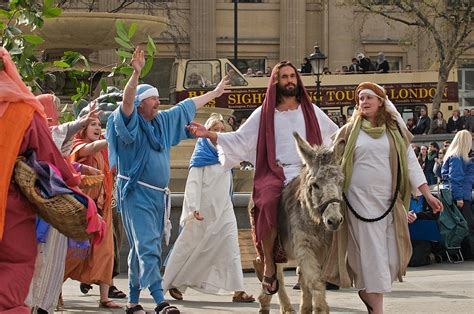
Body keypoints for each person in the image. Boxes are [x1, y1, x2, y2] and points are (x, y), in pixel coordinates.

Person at [186, 60, 338, 295]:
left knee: (332, 199)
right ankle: (268, 261)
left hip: (306, 172)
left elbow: (336, 137)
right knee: (265, 202)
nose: (289, 81)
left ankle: (331, 261)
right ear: (276, 82)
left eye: (292, 76)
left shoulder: (311, 111)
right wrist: (208, 134)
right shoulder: (265, 112)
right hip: (275, 171)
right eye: (284, 77)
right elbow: (239, 139)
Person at [105, 48, 228, 314]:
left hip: (158, 195)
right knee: (147, 245)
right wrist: (136, 73)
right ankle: (160, 300)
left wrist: (215, 93)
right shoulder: (128, 122)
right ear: (141, 105)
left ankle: (133, 301)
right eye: (153, 100)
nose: (158, 103)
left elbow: (187, 107)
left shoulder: (160, 123)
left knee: (142, 246)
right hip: (135, 192)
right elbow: (126, 102)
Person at [323, 82, 442, 314]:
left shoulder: (395, 132)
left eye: (369, 97)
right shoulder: (348, 131)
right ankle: (377, 308)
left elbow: (411, 163)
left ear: (381, 102)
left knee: (390, 258)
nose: (364, 102)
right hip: (357, 201)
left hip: (389, 202)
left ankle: (368, 292)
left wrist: (428, 194)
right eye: (360, 99)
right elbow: (328, 161)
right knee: (373, 255)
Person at [0, 48, 82, 313]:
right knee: (13, 271)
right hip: (9, 213)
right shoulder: (21, 110)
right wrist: (74, 185)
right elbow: (52, 159)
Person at [163, 113, 255, 303]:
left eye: (222, 130)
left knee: (231, 247)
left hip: (224, 211)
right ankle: (168, 285)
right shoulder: (201, 156)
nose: (219, 133)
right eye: (215, 129)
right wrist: (193, 208)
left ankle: (238, 290)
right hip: (202, 213)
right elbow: (193, 184)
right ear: (207, 132)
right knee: (189, 248)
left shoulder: (226, 156)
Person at [26, 95, 103, 314]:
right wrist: (81, 121)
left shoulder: (50, 133)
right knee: (39, 259)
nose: (58, 114)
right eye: (55, 108)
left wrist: (81, 170)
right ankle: (34, 304)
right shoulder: (38, 132)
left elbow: (61, 163)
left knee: (54, 259)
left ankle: (44, 305)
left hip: (55, 205)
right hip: (40, 205)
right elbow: (58, 138)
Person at [64, 115, 120, 309]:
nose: (98, 128)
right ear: (83, 129)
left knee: (106, 250)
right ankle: (55, 290)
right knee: (73, 252)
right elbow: (89, 149)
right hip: (82, 208)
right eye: (93, 125)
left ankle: (104, 297)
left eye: (99, 125)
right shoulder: (79, 144)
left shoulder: (103, 149)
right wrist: (111, 138)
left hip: (102, 206)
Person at [441, 130, 474, 259]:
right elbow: (456, 178)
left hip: (459, 194)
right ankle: (468, 253)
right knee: (467, 225)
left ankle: (464, 252)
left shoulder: (454, 156)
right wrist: (459, 197)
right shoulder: (458, 157)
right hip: (461, 196)